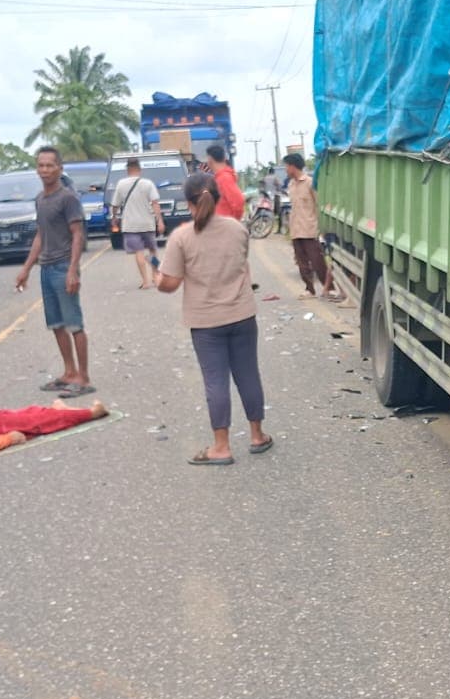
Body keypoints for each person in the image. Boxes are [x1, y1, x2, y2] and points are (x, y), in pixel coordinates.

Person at [158, 172, 273, 466]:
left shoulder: (181, 237)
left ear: (188, 203)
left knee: (215, 380)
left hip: (206, 322)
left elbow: (169, 284)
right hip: (242, 314)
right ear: (218, 198)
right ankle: (257, 435)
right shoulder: (237, 229)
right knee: (248, 374)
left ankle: (221, 447)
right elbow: (240, 263)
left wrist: (158, 278)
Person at [15, 147, 92, 398]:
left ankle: (83, 376)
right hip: (46, 268)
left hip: (63, 267)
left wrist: (73, 270)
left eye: (49, 165)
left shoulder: (67, 198)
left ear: (59, 168)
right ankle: (68, 372)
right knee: (57, 325)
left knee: (74, 324)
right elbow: (40, 235)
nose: (45, 170)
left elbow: (78, 234)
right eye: (41, 165)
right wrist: (26, 268)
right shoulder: (40, 199)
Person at [283, 152, 341, 302]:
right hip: (296, 229)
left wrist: (321, 227)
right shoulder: (291, 185)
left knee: (317, 261)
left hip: (310, 228)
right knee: (301, 262)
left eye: (286, 166)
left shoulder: (309, 183)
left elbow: (318, 205)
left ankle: (330, 288)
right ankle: (309, 289)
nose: (285, 170)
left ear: (293, 166)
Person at [111, 157, 165, 290]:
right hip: (147, 223)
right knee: (152, 250)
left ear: (127, 169)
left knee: (139, 252)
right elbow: (155, 203)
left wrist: (114, 217)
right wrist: (159, 220)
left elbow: (115, 204)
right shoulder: (148, 183)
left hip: (131, 225)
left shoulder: (121, 184)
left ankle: (145, 281)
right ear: (140, 169)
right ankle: (155, 276)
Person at [204, 144, 245, 220]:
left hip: (225, 226)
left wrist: (233, 222)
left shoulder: (224, 178)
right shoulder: (219, 178)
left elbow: (238, 201)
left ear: (210, 159)